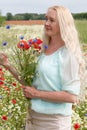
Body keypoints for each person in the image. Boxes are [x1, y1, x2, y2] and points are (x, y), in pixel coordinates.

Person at [0, 5, 86, 130]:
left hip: (53, 123)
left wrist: (37, 94)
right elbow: (31, 85)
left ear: (63, 24)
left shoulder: (68, 55)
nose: (46, 23)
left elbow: (71, 96)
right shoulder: (43, 52)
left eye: (52, 20)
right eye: (46, 19)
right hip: (33, 119)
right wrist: (7, 64)